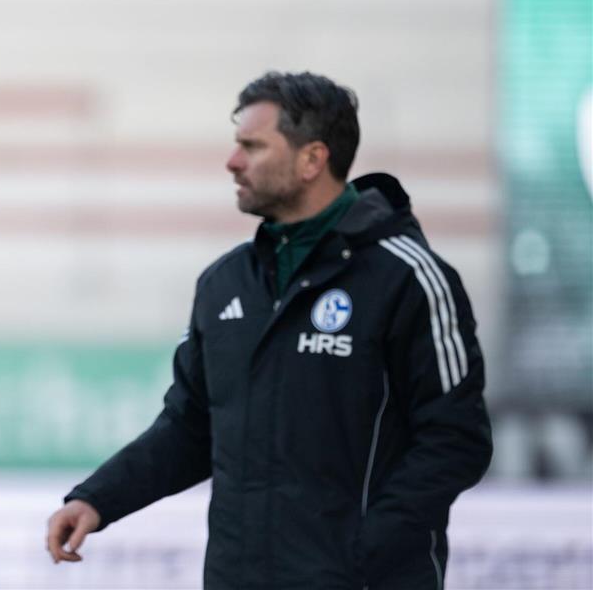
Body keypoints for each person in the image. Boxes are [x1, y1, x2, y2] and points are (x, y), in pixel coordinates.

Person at [46, 71, 492, 589]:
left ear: (312, 159)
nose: (232, 162)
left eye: (252, 146)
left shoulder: (409, 278)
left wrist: (372, 544)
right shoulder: (225, 282)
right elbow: (191, 427)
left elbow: (457, 438)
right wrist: (98, 498)